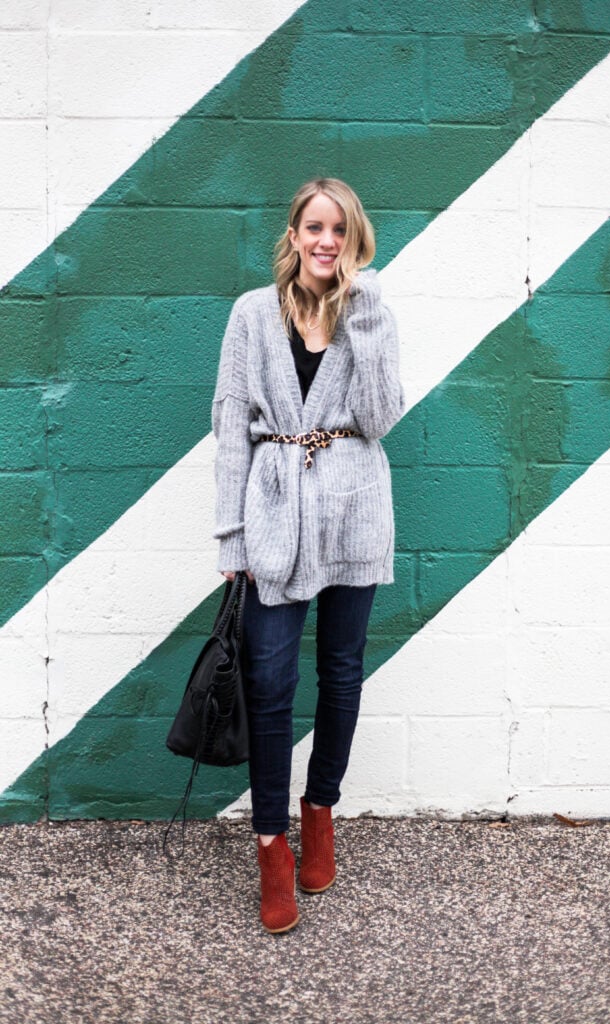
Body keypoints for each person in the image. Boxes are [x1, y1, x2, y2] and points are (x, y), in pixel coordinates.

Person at [211, 177, 405, 933]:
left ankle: (319, 807)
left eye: (340, 232)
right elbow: (231, 427)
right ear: (293, 235)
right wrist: (230, 537)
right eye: (313, 227)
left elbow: (381, 417)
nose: (325, 242)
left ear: (354, 243)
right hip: (273, 512)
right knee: (268, 680)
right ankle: (270, 845)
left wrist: (368, 319)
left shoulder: (369, 315)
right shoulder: (251, 316)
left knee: (342, 670)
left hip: (355, 507)